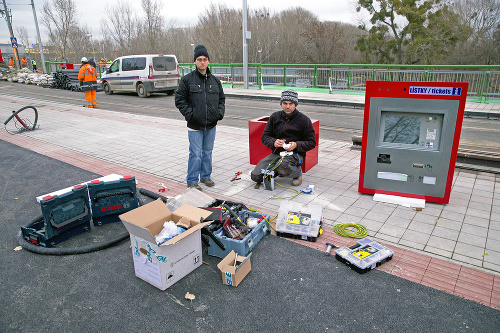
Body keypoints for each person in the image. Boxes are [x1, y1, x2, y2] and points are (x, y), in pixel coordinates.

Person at [175, 45, 225, 191]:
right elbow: (179, 100)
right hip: (195, 126)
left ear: (208, 61)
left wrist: (219, 113)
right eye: (199, 59)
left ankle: (205, 176)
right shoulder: (187, 80)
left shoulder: (215, 81)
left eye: (205, 59)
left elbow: (221, 99)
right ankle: (192, 180)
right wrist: (191, 115)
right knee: (196, 154)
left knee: (208, 152)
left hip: (211, 125)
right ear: (195, 62)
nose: (202, 62)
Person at [251, 90, 316, 188]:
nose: (288, 106)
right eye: (285, 103)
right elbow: (265, 136)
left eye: (291, 104)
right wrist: (274, 142)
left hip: (295, 154)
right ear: (281, 104)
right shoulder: (275, 117)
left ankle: (297, 173)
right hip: (277, 153)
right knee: (255, 176)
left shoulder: (304, 120)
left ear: (296, 104)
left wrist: (296, 145)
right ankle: (276, 170)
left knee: (283, 166)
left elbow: (311, 142)